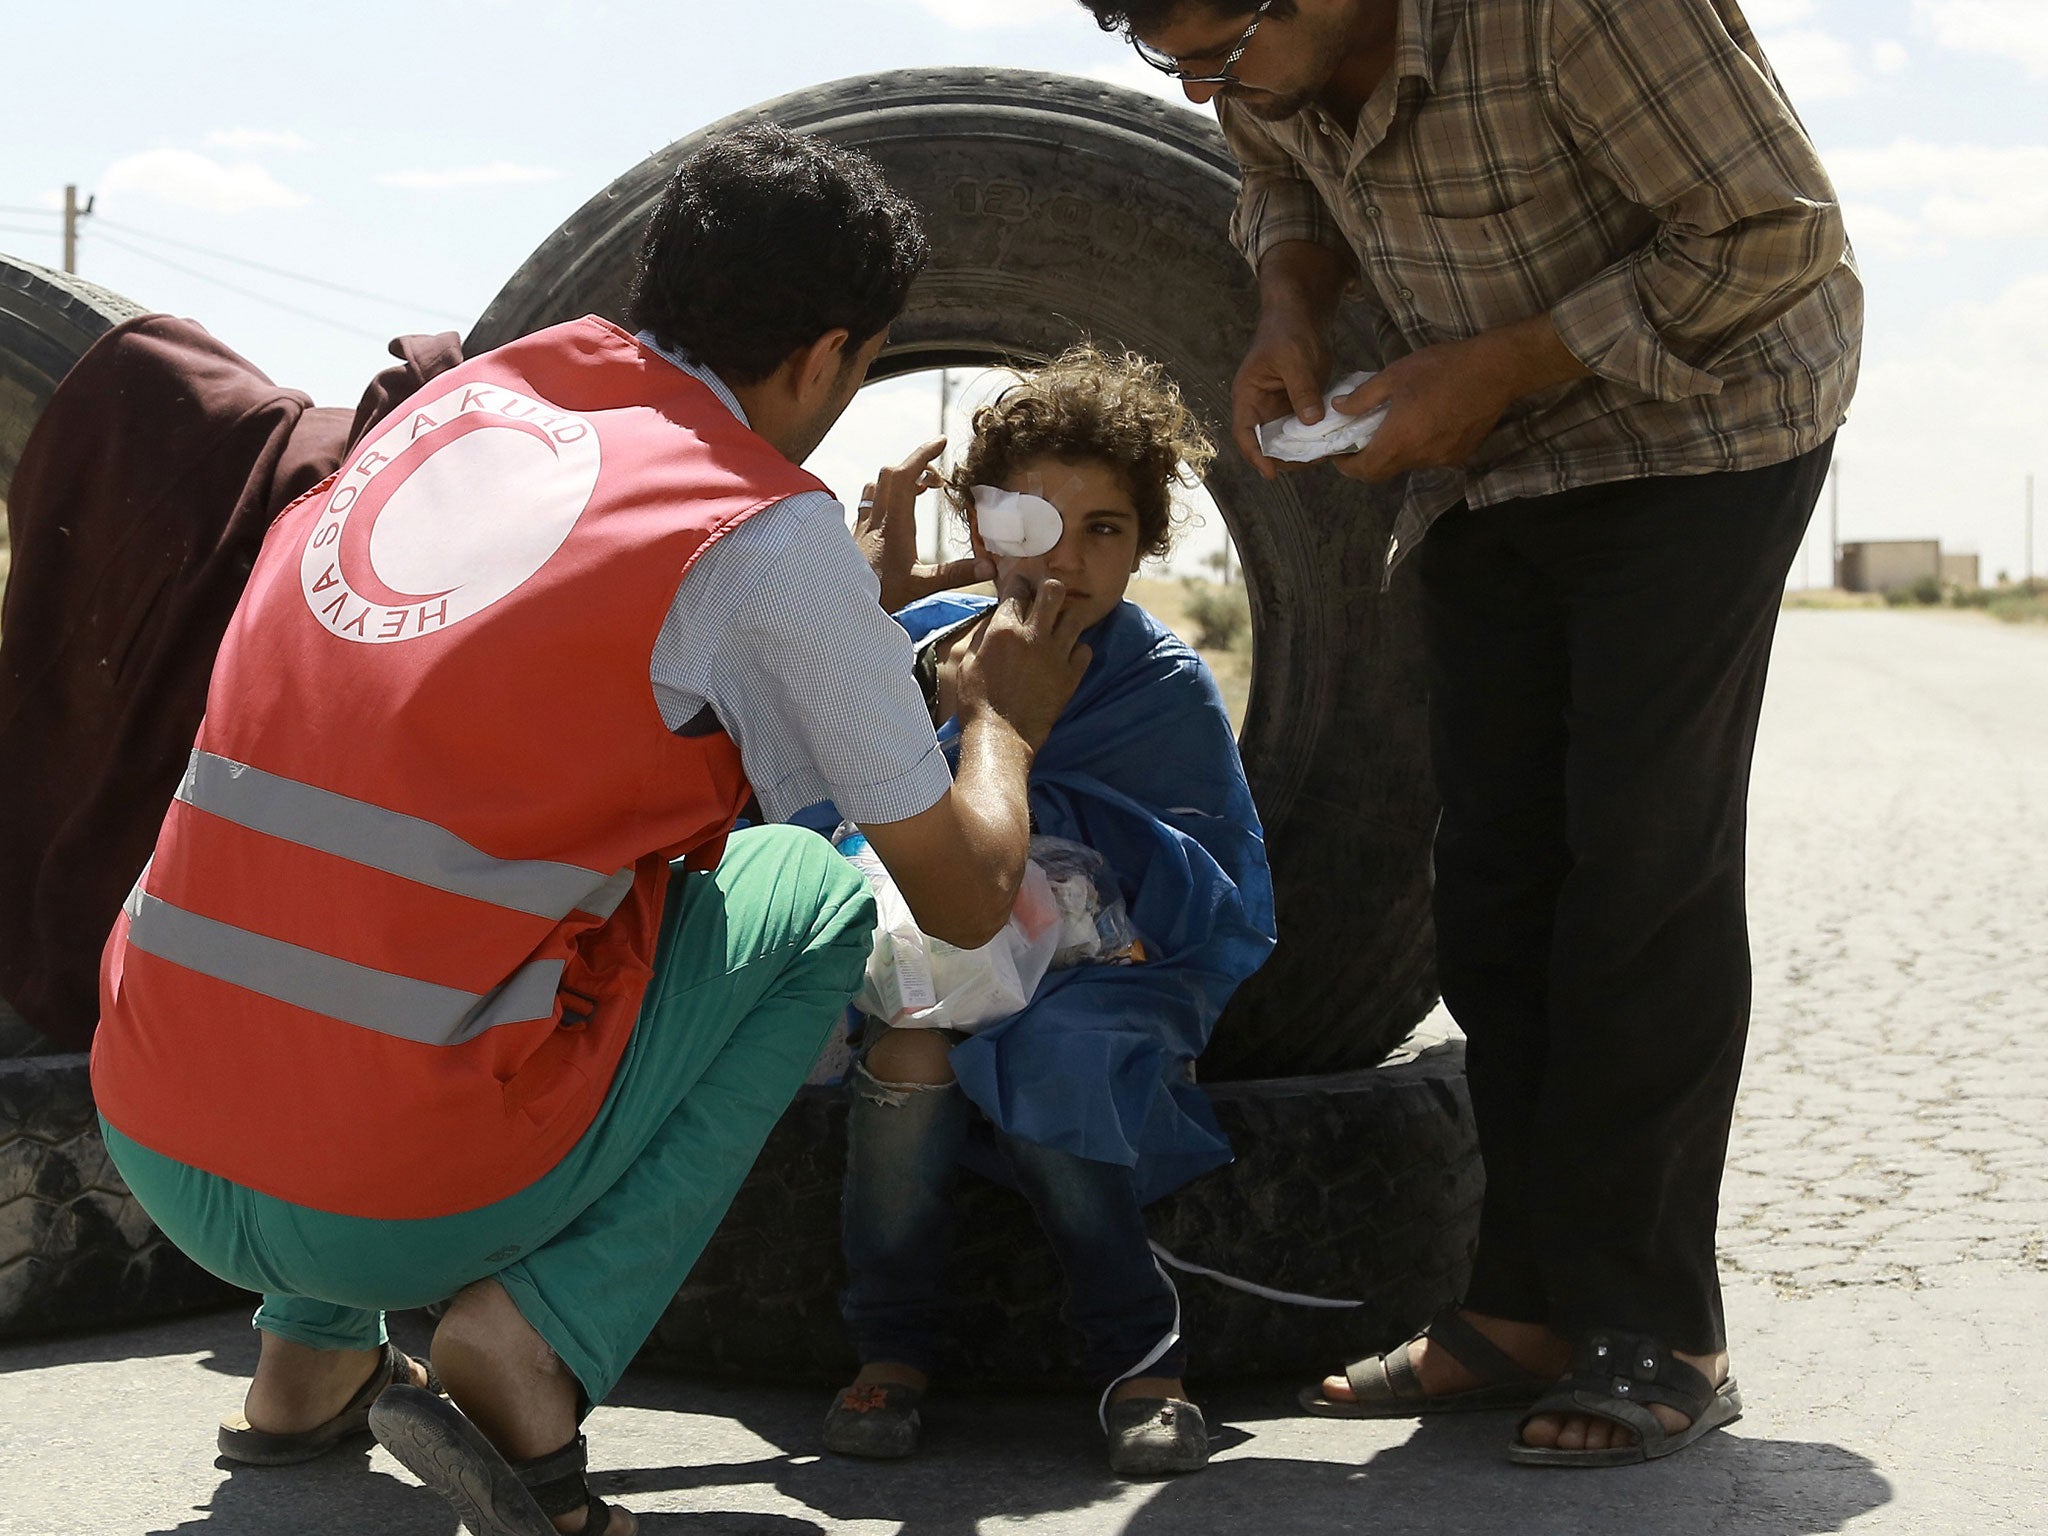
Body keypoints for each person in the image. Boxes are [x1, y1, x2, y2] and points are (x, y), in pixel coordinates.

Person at [89, 123, 1094, 1536]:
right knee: (808, 893)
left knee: (430, 882)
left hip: (151, 1120)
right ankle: (532, 1345)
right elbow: (967, 897)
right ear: (827, 357)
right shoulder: (755, 523)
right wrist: (1006, 720)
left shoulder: (460, 413)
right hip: (392, 1196)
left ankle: (305, 1358)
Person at [1075, 0, 1861, 1465]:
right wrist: (1291, 311)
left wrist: (1496, 366)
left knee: (1636, 869)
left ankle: (1661, 1326)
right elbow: (1285, 190)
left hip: (1707, 423)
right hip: (1494, 457)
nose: (1198, 90)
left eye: (1217, 50)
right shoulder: (1250, 51)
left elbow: (1774, 235)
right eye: (1162, 58)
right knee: (1492, 885)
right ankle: (1522, 1308)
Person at [810, 347, 1276, 1478]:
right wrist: (880, 628)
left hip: (1107, 974)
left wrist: (1065, 869)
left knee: (1058, 1052)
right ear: (979, 524)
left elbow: (1205, 877)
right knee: (912, 1053)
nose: (1065, 560)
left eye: (1105, 530)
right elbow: (834, 815)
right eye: (1030, 522)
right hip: (944, 962)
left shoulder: (1156, 680)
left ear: (1143, 542)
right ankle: (893, 1347)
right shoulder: (933, 649)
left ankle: (1142, 1358)